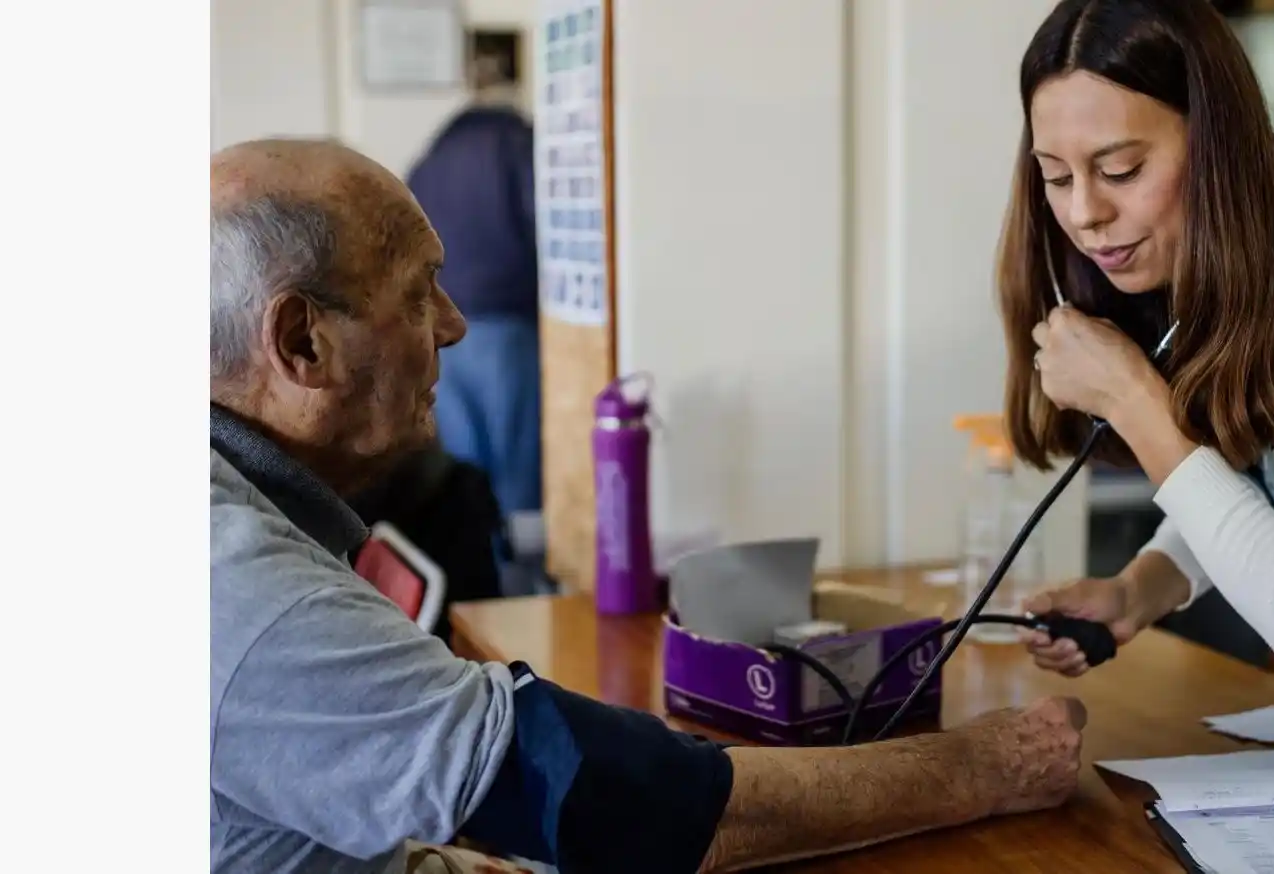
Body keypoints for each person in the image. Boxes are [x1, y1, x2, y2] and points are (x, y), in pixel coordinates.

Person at [209, 138, 1087, 874]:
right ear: (301, 342)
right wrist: (983, 765)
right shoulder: (238, 587)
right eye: (416, 292)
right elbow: (616, 802)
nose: (453, 325)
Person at [994, 0, 1274, 673]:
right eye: (1056, 176)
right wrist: (1145, 585)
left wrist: (1131, 399)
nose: (1084, 212)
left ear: (1219, 144)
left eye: (1122, 170)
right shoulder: (1222, 279)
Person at [406, 102, 542, 521]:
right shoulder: (518, 147)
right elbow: (546, 226)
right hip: (508, 329)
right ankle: (521, 559)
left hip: (441, 332)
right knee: (518, 469)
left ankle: (483, 550)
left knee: (465, 462)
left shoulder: (430, 160)